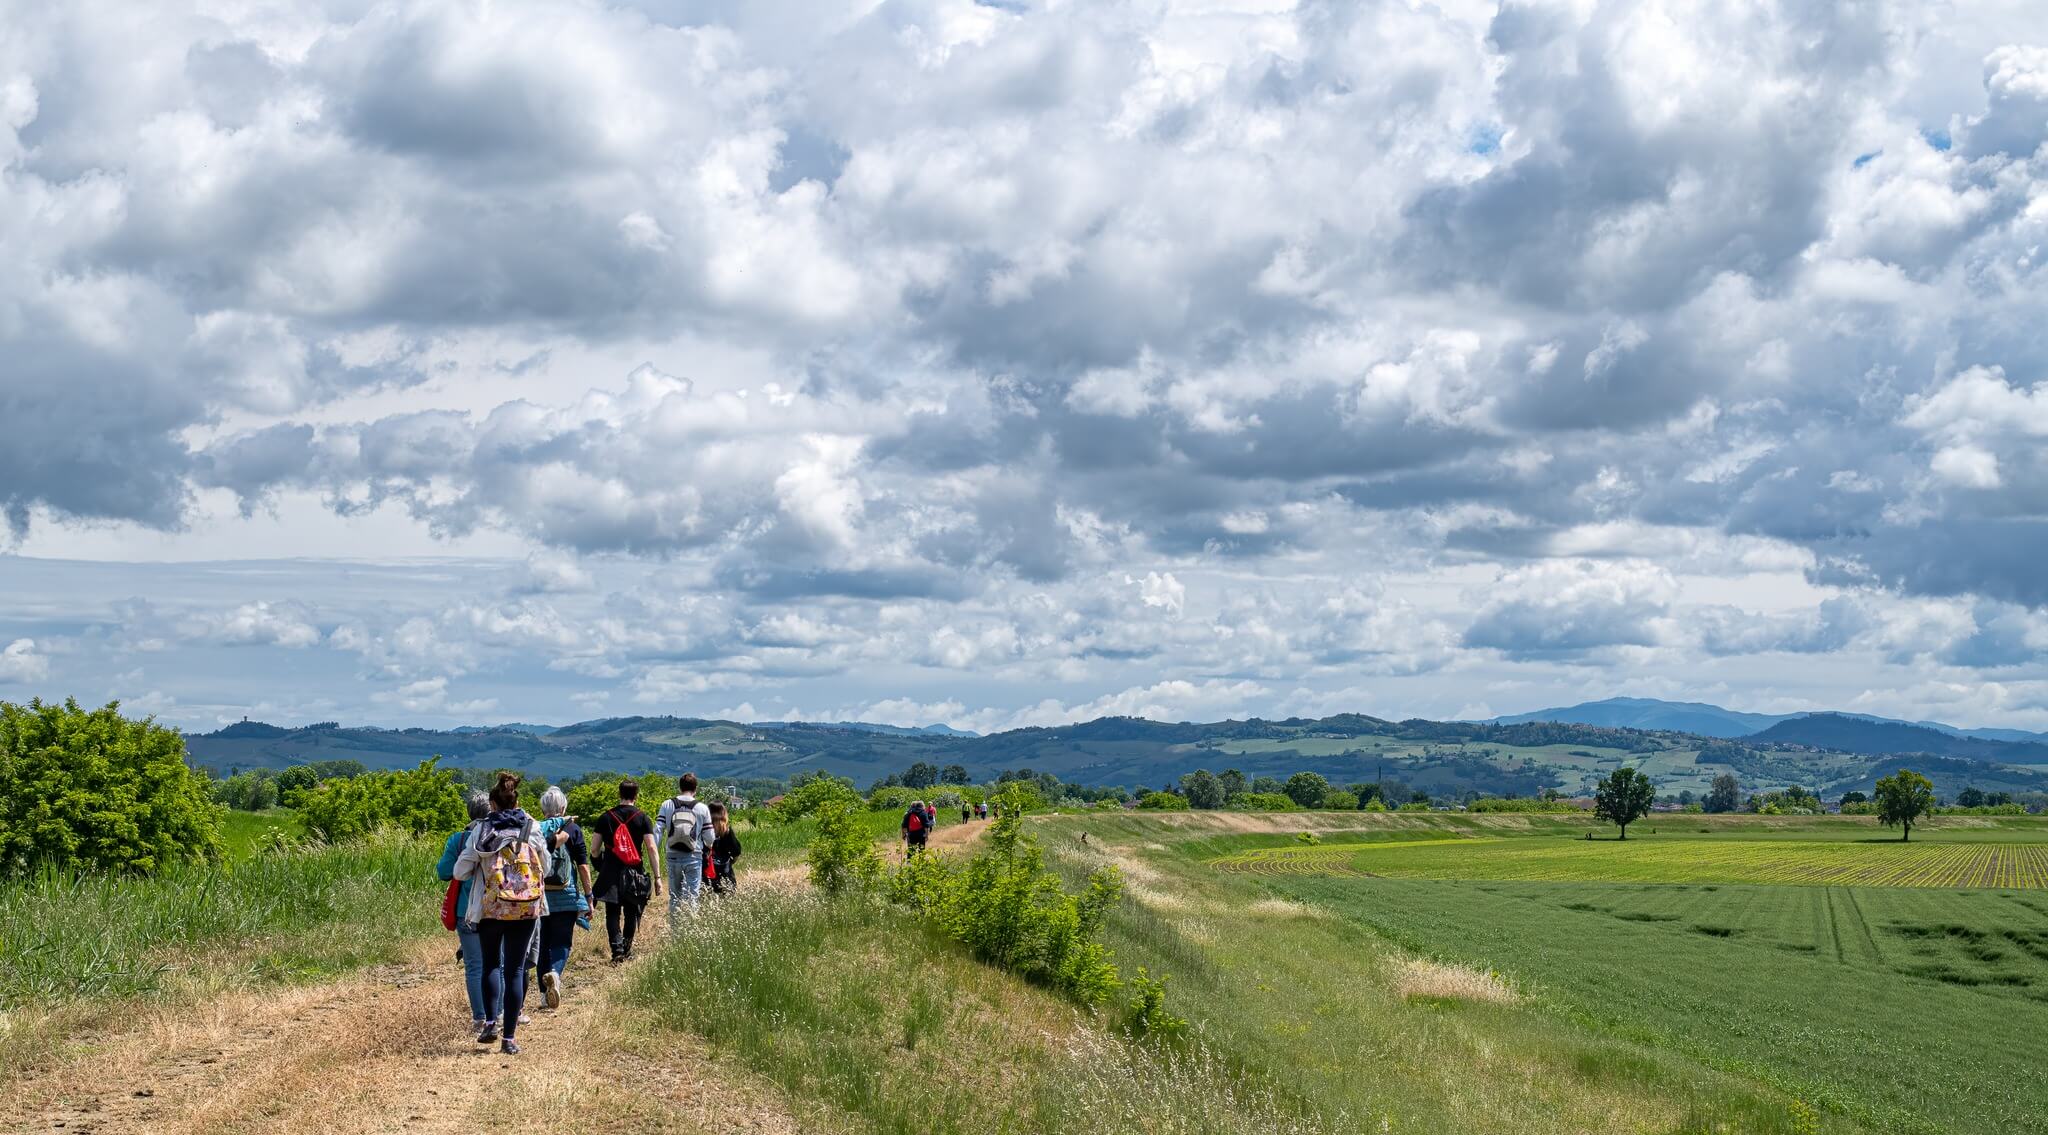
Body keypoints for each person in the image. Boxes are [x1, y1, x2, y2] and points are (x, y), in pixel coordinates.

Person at [453, 772, 551, 1055]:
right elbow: (545, 866)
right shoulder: (531, 828)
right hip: (526, 907)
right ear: (516, 801)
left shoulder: (482, 830)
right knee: (515, 969)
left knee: (491, 965)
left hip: (492, 908)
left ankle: (489, 1024)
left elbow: (460, 871)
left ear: (492, 804)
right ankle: (509, 1039)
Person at [531, 786, 591, 1010]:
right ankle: (555, 973)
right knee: (562, 942)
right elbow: (583, 866)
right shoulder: (573, 829)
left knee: (542, 945)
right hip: (566, 896)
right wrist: (588, 895)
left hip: (541, 896)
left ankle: (543, 996)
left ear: (543, 809)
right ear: (563, 807)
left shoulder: (538, 829)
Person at [435, 791, 491, 1031]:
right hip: (494, 908)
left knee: (474, 966)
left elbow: (444, 871)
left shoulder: (457, 840)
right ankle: (497, 1014)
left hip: (465, 911)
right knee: (496, 963)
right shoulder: (499, 836)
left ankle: (480, 1018)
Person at [590, 779, 659, 963]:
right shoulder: (642, 818)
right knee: (631, 912)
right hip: (634, 872)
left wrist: (600, 865)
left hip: (611, 870)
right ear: (636, 795)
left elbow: (594, 849)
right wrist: (657, 876)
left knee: (612, 913)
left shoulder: (606, 817)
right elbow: (652, 848)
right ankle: (627, 949)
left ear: (619, 794)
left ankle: (617, 951)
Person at [656, 773, 714, 922]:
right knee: (692, 896)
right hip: (694, 856)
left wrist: (654, 851)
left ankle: (675, 929)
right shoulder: (702, 808)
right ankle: (690, 928)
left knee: (674, 897)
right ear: (695, 788)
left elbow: (658, 830)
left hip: (672, 856)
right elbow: (709, 838)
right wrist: (708, 846)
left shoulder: (667, 805)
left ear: (680, 787)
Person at [707, 802, 742, 896]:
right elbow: (736, 852)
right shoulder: (727, 831)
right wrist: (730, 862)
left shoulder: (703, 829)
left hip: (706, 876)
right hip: (726, 876)